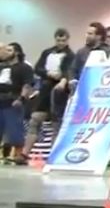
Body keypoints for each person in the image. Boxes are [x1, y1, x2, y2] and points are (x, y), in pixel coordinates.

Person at [17, 28, 74, 165]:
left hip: (60, 91)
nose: (61, 43)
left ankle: (53, 156)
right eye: (58, 40)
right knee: (35, 120)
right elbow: (37, 68)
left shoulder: (71, 55)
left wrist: (62, 78)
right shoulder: (47, 52)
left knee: (56, 124)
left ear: (67, 40)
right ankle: (25, 153)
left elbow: (70, 72)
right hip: (46, 88)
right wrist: (47, 73)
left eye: (63, 40)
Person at [0, 42, 33, 163]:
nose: (6, 52)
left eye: (9, 50)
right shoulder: (2, 67)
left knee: (15, 129)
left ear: (17, 53)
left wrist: (21, 98)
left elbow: (27, 84)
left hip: (12, 101)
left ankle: (19, 155)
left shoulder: (24, 67)